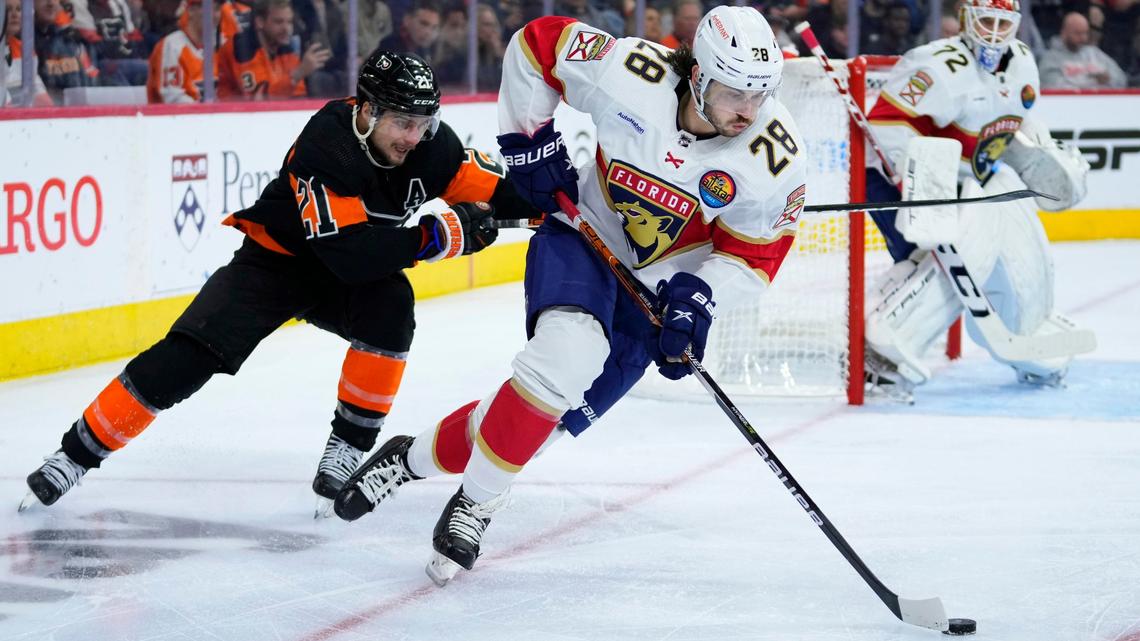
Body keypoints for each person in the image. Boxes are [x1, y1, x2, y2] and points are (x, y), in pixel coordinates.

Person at [333, 6, 808, 585]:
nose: (750, 111)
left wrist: (701, 296)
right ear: (701, 76)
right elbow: (537, 45)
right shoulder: (633, 72)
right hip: (583, 235)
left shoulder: (775, 157)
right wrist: (527, 139)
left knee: (538, 422)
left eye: (761, 94)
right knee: (562, 362)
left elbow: (757, 255)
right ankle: (477, 505)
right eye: (736, 93)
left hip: (654, 296)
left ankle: (406, 460)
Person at [19, 51, 537, 515]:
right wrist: (434, 238)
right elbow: (350, 255)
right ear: (368, 112)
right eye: (402, 122)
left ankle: (349, 447)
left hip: (347, 270)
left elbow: (501, 192)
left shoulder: (433, 148)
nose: (413, 137)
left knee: (391, 306)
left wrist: (563, 210)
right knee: (188, 356)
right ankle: (74, 456)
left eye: (423, 123)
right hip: (275, 264)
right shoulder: (328, 144)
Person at [860, 0, 1090, 401]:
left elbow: (1012, 125)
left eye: (1004, 24)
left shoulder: (1021, 63)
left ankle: (1027, 327)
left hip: (973, 181)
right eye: (986, 20)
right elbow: (884, 124)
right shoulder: (937, 65)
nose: (994, 33)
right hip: (900, 182)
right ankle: (884, 351)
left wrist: (1039, 153)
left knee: (1017, 229)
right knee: (956, 253)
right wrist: (929, 179)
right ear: (966, 20)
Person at [216, 0, 329, 99]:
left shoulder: (286, 49)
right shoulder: (242, 48)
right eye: (279, 22)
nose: (286, 29)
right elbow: (257, 99)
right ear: (260, 22)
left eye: (289, 22)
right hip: (229, 118)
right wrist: (297, 74)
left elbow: (298, 97)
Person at [146, 0, 217, 103]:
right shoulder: (172, 46)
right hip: (172, 118)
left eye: (217, 9)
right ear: (191, 10)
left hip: (213, 116)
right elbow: (172, 99)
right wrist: (206, 113)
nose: (214, 15)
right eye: (210, 8)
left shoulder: (217, 44)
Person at [1038, 11, 1127, 89]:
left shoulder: (1095, 53)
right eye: (1078, 33)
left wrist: (1109, 79)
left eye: (1085, 33)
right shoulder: (1050, 58)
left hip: (1101, 104)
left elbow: (1122, 79)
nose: (1083, 38)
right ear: (1064, 32)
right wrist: (1092, 82)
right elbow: (1053, 86)